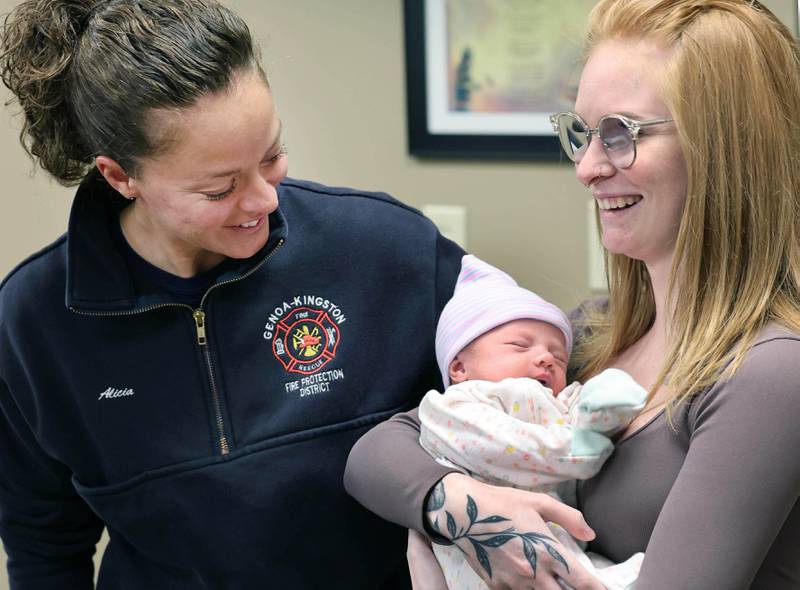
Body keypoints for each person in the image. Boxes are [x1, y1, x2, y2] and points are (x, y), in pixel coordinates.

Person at [0, 1, 465, 588]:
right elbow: (43, 545)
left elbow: (517, 381)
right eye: (219, 189)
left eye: (271, 156)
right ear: (121, 177)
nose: (264, 201)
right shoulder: (34, 323)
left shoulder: (387, 250)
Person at [344, 1, 800, 588]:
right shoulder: (590, 335)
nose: (586, 168)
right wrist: (459, 505)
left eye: (619, 134)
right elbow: (383, 451)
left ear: (725, 148)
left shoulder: (768, 373)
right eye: (583, 132)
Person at [412, 254, 646, 590]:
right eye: (520, 345)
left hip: (562, 545)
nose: (545, 357)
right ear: (459, 366)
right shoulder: (451, 407)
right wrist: (575, 449)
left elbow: (584, 409)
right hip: (484, 559)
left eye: (559, 355)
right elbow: (496, 444)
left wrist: (607, 399)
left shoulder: (557, 400)